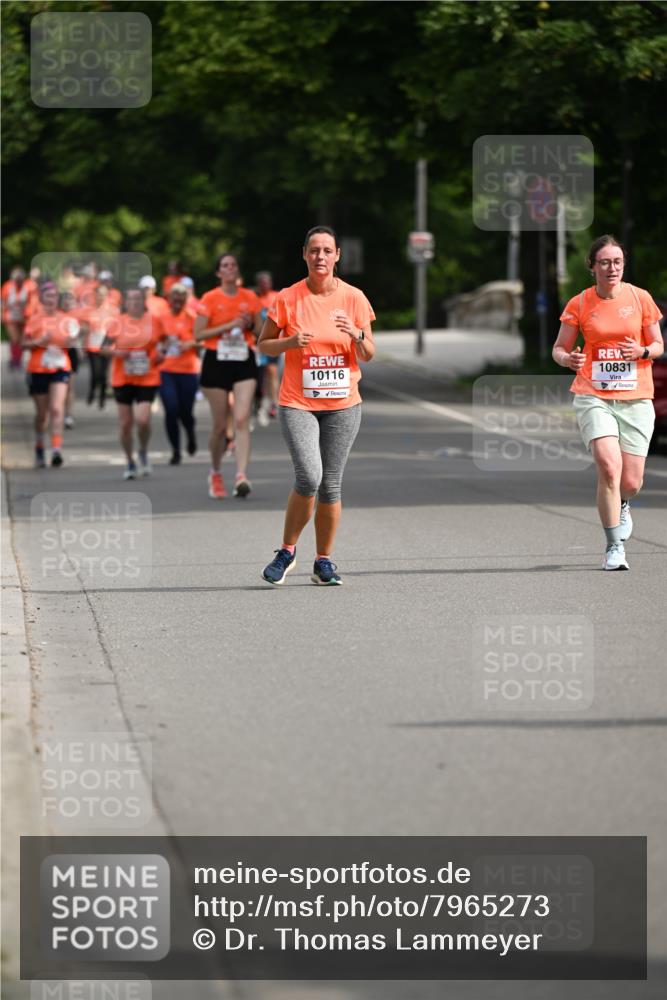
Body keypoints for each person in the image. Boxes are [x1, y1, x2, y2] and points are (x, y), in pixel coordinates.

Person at [257, 226, 375, 585]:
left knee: (331, 485)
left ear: (337, 255)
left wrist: (355, 334)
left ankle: (324, 562)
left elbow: (368, 353)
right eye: (314, 251)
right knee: (309, 476)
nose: (320, 257)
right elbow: (264, 345)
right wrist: (290, 341)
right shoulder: (288, 298)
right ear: (304, 255)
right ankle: (287, 551)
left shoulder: (354, 298)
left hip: (343, 403)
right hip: (298, 402)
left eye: (327, 250)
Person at [552, 234, 663, 571]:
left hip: (636, 397)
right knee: (608, 466)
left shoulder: (641, 298)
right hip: (593, 394)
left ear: (623, 265)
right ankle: (614, 546)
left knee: (630, 481)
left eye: (617, 262)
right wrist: (566, 359)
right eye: (604, 262)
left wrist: (642, 351)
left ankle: (624, 502)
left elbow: (658, 344)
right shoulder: (580, 303)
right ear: (592, 266)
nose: (611, 268)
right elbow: (558, 349)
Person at [193, 253, 262, 498]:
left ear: (238, 271)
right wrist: (229, 325)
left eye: (233, 264)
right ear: (218, 273)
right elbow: (198, 334)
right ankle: (215, 471)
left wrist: (250, 324)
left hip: (243, 358)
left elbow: (261, 333)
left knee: (242, 419)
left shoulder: (250, 297)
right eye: (224, 265)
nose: (230, 268)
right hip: (216, 360)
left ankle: (241, 475)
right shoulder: (210, 298)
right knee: (220, 426)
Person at [103, 287, 164, 480]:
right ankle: (130, 461)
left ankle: (143, 450)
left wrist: (161, 354)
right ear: (126, 303)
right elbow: (102, 348)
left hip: (148, 375)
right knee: (125, 424)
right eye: (131, 299)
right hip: (123, 377)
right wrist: (116, 353)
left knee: (143, 420)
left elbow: (166, 342)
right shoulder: (117, 322)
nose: (135, 302)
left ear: (143, 302)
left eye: (138, 298)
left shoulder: (153, 321)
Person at [22, 282, 79, 467]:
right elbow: (24, 344)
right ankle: (39, 446)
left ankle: (56, 450)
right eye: (48, 296)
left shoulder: (66, 320)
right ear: (41, 299)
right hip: (38, 369)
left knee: (56, 409)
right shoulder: (34, 319)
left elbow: (71, 345)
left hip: (60, 367)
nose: (51, 300)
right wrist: (40, 341)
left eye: (54, 297)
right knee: (42, 414)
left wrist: (70, 342)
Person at [157, 283, 200, 464]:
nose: (177, 303)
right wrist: (159, 350)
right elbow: (155, 341)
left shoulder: (193, 317)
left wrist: (190, 344)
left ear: (185, 301)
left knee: (185, 412)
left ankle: (190, 432)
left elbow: (204, 340)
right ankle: (175, 450)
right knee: (171, 409)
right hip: (166, 370)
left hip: (188, 370)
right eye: (174, 299)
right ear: (169, 299)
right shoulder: (161, 318)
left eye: (180, 300)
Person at [78, 283, 120, 408]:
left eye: (103, 294)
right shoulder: (88, 310)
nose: (101, 296)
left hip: (107, 347)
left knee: (104, 373)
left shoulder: (113, 310)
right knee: (95, 373)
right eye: (98, 294)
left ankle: (102, 397)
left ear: (106, 295)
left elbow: (117, 328)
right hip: (93, 346)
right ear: (95, 295)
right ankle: (92, 391)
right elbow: (84, 328)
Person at [254, 270, 280, 426]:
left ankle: (273, 402)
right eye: (261, 282)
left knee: (272, 371)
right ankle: (258, 399)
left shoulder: (276, 297)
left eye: (266, 282)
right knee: (258, 374)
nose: (264, 285)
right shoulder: (253, 299)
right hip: (256, 342)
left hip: (272, 340)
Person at [2, 267, 37, 369]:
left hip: (24, 316)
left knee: (21, 339)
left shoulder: (29, 286)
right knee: (14, 338)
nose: (18, 282)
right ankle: (14, 359)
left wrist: (30, 314)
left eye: (20, 280)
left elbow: (33, 302)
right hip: (11, 316)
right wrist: (2, 314)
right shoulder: (7, 286)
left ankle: (18, 360)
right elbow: (2, 302)